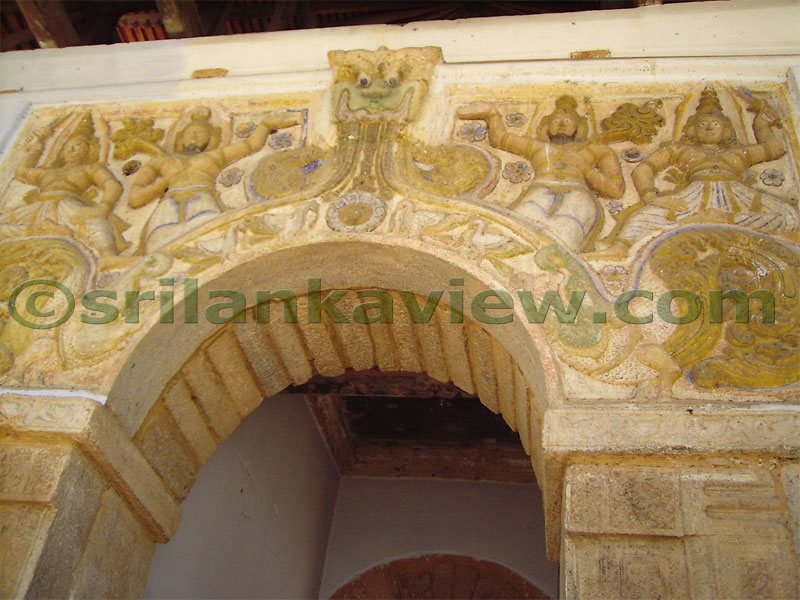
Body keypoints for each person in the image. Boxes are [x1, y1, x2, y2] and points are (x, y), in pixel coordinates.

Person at [595, 87, 798, 257]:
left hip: (739, 196)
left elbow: (776, 148)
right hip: (692, 197)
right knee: (643, 217)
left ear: (726, 130)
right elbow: (644, 169)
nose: (709, 127)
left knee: (789, 217)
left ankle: (724, 220)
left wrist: (761, 125)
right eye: (702, 124)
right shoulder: (681, 150)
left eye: (715, 124)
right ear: (692, 130)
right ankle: (620, 249)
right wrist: (651, 197)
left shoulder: (740, 153)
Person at [457, 95, 624, 252]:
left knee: (563, 244)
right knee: (511, 232)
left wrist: (585, 169)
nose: (561, 125)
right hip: (540, 192)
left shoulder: (597, 150)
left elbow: (615, 189)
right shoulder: (539, 147)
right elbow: (500, 138)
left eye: (567, 120)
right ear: (546, 126)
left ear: (579, 125)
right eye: (556, 120)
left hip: (577, 197)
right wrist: (492, 114)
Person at [130, 107, 299, 253]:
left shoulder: (213, 156)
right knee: (160, 245)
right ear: (180, 137)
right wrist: (164, 182)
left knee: (210, 238)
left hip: (202, 202)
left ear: (211, 138)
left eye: (200, 132)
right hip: (167, 208)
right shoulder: (160, 161)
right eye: (189, 132)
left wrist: (266, 125)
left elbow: (251, 145)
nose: (194, 136)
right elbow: (135, 199)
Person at [2, 113, 126, 255]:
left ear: (89, 150)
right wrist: (36, 149)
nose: (71, 149)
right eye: (69, 145)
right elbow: (22, 172)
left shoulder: (89, 169)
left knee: (97, 222)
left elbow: (112, 185)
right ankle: (32, 230)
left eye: (78, 145)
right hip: (38, 206)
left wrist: (103, 206)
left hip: (70, 205)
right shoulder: (46, 172)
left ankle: (108, 256)